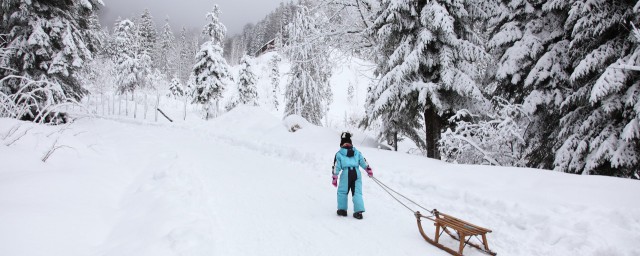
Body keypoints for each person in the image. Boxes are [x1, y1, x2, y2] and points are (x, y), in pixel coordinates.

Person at [332, 132, 373, 219]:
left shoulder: (339, 154)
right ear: (350, 142)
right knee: (357, 192)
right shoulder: (357, 152)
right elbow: (363, 161)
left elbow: (336, 166)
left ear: (341, 143)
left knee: (342, 191)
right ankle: (358, 212)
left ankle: (342, 210)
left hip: (346, 173)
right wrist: (368, 169)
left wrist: (335, 177)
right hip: (356, 173)